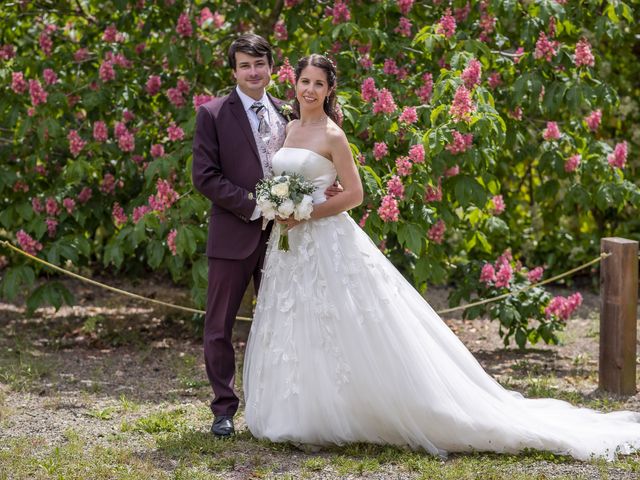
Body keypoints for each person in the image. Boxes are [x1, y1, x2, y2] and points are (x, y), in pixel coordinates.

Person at [242, 54, 640, 461]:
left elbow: (355, 194)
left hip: (323, 238)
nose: (308, 90)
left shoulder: (333, 135)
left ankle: (349, 412)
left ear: (329, 91)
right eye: (304, 81)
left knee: (336, 321)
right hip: (289, 248)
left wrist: (304, 211)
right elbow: (283, 179)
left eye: (318, 84)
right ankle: (297, 410)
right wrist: (282, 206)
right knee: (298, 320)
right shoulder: (288, 127)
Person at [192, 35, 340, 438]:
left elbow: (305, 167)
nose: (253, 72)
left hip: (284, 240)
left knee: (282, 322)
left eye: (260, 64)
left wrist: (317, 193)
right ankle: (223, 409)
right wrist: (257, 206)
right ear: (234, 71)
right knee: (219, 326)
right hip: (233, 235)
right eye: (244, 66)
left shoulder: (288, 115)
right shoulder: (213, 114)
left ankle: (278, 408)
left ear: (273, 68)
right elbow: (204, 177)